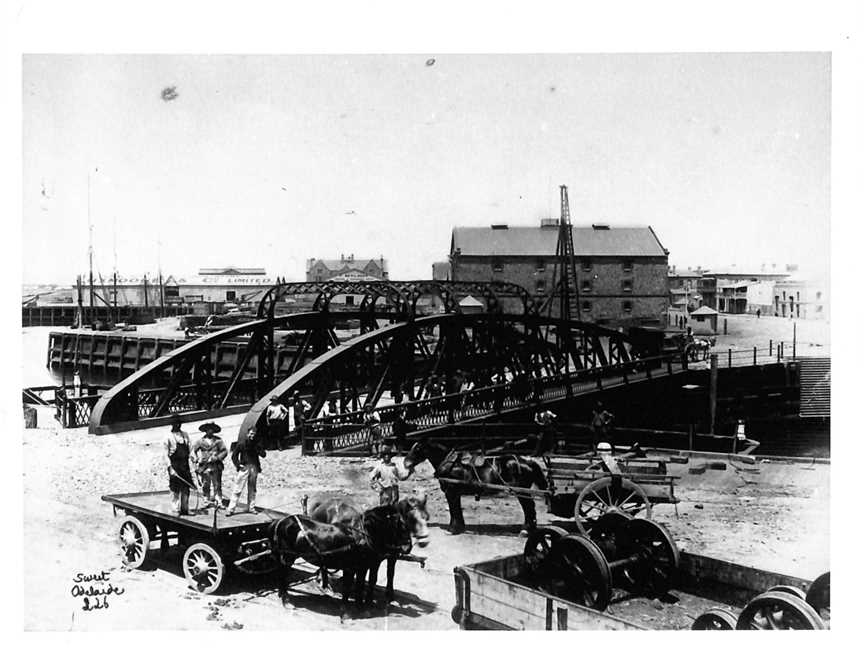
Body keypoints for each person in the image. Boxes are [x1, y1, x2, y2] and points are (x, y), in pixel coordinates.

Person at [226, 427, 267, 516]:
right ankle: (231, 509)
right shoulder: (242, 444)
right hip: (244, 468)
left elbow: (263, 455)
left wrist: (259, 448)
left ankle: (251, 507)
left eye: (254, 434)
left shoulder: (257, 444)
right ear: (247, 434)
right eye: (251, 434)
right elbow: (234, 456)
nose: (252, 436)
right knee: (238, 488)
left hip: (254, 467)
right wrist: (238, 465)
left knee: (252, 489)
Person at [192, 422, 228, 508]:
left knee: (217, 483)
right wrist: (197, 459)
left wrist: (217, 458)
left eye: (211, 429)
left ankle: (219, 500)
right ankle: (206, 500)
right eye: (208, 429)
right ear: (205, 430)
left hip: (216, 465)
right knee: (205, 484)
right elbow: (192, 451)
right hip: (204, 466)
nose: (210, 431)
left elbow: (224, 451)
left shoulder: (218, 441)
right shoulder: (200, 441)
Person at [165, 417, 195, 515]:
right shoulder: (168, 437)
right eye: (175, 423)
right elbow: (165, 454)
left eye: (179, 423)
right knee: (175, 488)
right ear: (172, 424)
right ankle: (175, 509)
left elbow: (190, 449)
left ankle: (185, 509)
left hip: (185, 465)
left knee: (186, 487)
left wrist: (193, 457)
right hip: (175, 465)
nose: (178, 425)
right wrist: (170, 468)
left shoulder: (185, 435)